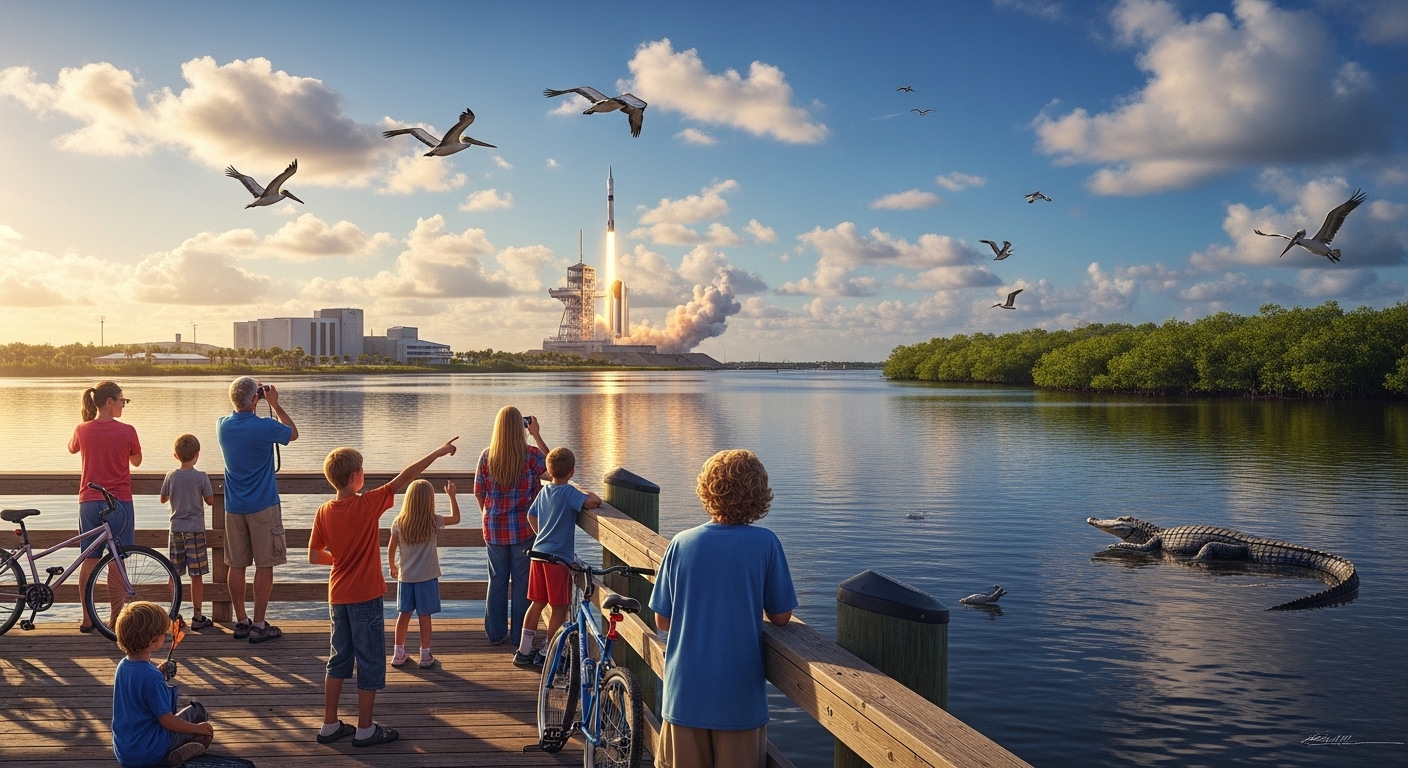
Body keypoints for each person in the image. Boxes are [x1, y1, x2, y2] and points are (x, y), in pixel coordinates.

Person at [648, 450, 798, 768]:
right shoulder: (765, 544)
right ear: (758, 495)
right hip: (739, 700)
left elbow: (662, 620)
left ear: (707, 491)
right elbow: (782, 616)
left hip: (684, 694)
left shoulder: (680, 543)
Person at [308, 436, 459, 749]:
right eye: (362, 470)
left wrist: (339, 558)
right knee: (370, 661)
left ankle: (329, 724)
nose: (365, 474)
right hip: (365, 597)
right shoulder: (366, 503)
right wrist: (439, 450)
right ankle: (365, 728)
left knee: (338, 660)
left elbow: (314, 555)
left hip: (337, 596)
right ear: (354, 478)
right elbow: (406, 476)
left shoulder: (323, 511)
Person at [217, 377, 297, 644]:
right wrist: (275, 403)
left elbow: (239, 409)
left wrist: (253, 396)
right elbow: (292, 433)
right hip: (263, 505)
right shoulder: (265, 427)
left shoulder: (222, 426)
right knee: (265, 564)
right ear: (255, 400)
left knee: (236, 564)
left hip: (234, 507)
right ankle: (259, 624)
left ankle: (241, 621)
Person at [67, 380, 141, 633]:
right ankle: (113, 620)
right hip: (118, 502)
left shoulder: (82, 429)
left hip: (88, 502)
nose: (123, 404)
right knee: (116, 561)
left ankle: (87, 618)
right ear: (109, 402)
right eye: (122, 400)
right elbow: (137, 461)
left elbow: (71, 448)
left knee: (88, 559)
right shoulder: (128, 430)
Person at [517, 447, 600, 668]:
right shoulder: (569, 492)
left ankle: (523, 651)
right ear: (571, 471)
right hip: (558, 559)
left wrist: (541, 535)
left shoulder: (544, 491)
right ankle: (549, 651)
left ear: (549, 470)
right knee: (559, 607)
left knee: (536, 603)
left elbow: (531, 515)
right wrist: (590, 494)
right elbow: (593, 502)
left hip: (538, 554)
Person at [473, 406, 549, 647]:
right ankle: (519, 636)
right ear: (521, 427)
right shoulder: (531, 455)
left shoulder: (487, 455)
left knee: (496, 580)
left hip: (494, 529)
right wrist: (536, 434)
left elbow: (479, 492)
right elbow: (556, 467)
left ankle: (495, 634)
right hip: (523, 530)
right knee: (521, 582)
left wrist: (487, 515)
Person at [112, 601, 214, 767]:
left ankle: (175, 752)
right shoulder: (152, 678)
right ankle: (174, 757)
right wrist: (198, 729)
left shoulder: (123, 666)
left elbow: (139, 691)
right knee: (199, 715)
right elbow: (167, 720)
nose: (166, 636)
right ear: (153, 639)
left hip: (125, 752)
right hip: (150, 752)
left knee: (193, 721)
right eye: (163, 634)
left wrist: (159, 672)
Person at [387, 478, 461, 670]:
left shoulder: (399, 522)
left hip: (406, 577)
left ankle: (398, 652)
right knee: (424, 616)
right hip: (427, 577)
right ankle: (425, 654)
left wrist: (392, 566)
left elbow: (391, 548)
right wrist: (452, 496)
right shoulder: (433, 521)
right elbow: (456, 518)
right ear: (430, 500)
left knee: (404, 614)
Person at [160, 435, 216, 631]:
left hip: (176, 531)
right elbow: (210, 501)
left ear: (176, 455)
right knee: (197, 575)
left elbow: (163, 498)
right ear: (197, 455)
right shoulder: (201, 477)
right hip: (195, 531)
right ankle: (198, 616)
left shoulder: (171, 475)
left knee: (174, 574)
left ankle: (174, 614)